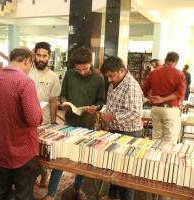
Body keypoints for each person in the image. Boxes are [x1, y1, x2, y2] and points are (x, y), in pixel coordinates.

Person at [43, 47, 105, 200]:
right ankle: (51, 193)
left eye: (85, 69)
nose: (82, 72)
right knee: (60, 156)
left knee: (82, 159)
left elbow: (101, 101)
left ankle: (77, 188)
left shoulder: (98, 78)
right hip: (69, 121)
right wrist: (64, 102)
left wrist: (96, 107)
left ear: (91, 63)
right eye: (79, 70)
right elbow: (63, 94)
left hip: (88, 123)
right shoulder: (70, 74)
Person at [0, 47, 43, 200]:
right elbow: (33, 119)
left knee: (0, 192)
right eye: (31, 65)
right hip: (23, 150)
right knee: (23, 195)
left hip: (1, 148)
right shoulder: (25, 81)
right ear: (27, 61)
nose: (30, 68)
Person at [99, 57, 143, 200]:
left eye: (112, 76)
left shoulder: (132, 86)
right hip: (115, 130)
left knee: (126, 171)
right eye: (107, 77)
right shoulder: (115, 82)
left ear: (122, 70)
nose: (109, 80)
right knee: (115, 166)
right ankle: (113, 196)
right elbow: (112, 104)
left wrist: (111, 116)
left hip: (129, 132)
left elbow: (135, 113)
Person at [29, 42, 61, 187]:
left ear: (49, 57)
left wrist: (54, 122)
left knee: (43, 151)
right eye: (39, 55)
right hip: (28, 120)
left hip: (45, 120)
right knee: (30, 151)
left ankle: (44, 173)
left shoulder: (53, 77)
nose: (41, 58)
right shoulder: (26, 71)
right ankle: (33, 174)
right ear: (34, 54)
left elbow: (54, 101)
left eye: (44, 56)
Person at [142, 52, 186, 144]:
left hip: (155, 109)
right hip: (170, 110)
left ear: (165, 60)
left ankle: (153, 157)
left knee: (156, 138)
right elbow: (180, 93)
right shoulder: (179, 74)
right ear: (176, 62)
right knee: (170, 140)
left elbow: (143, 90)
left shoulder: (153, 73)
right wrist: (163, 99)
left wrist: (151, 98)